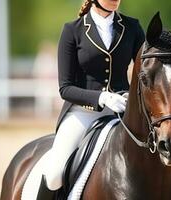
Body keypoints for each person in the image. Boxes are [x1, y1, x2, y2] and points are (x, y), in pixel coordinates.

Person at [37, 0, 145, 198]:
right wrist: (101, 97)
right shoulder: (73, 30)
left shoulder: (132, 27)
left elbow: (146, 70)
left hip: (122, 109)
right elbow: (65, 88)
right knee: (54, 174)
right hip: (82, 113)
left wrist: (132, 95)